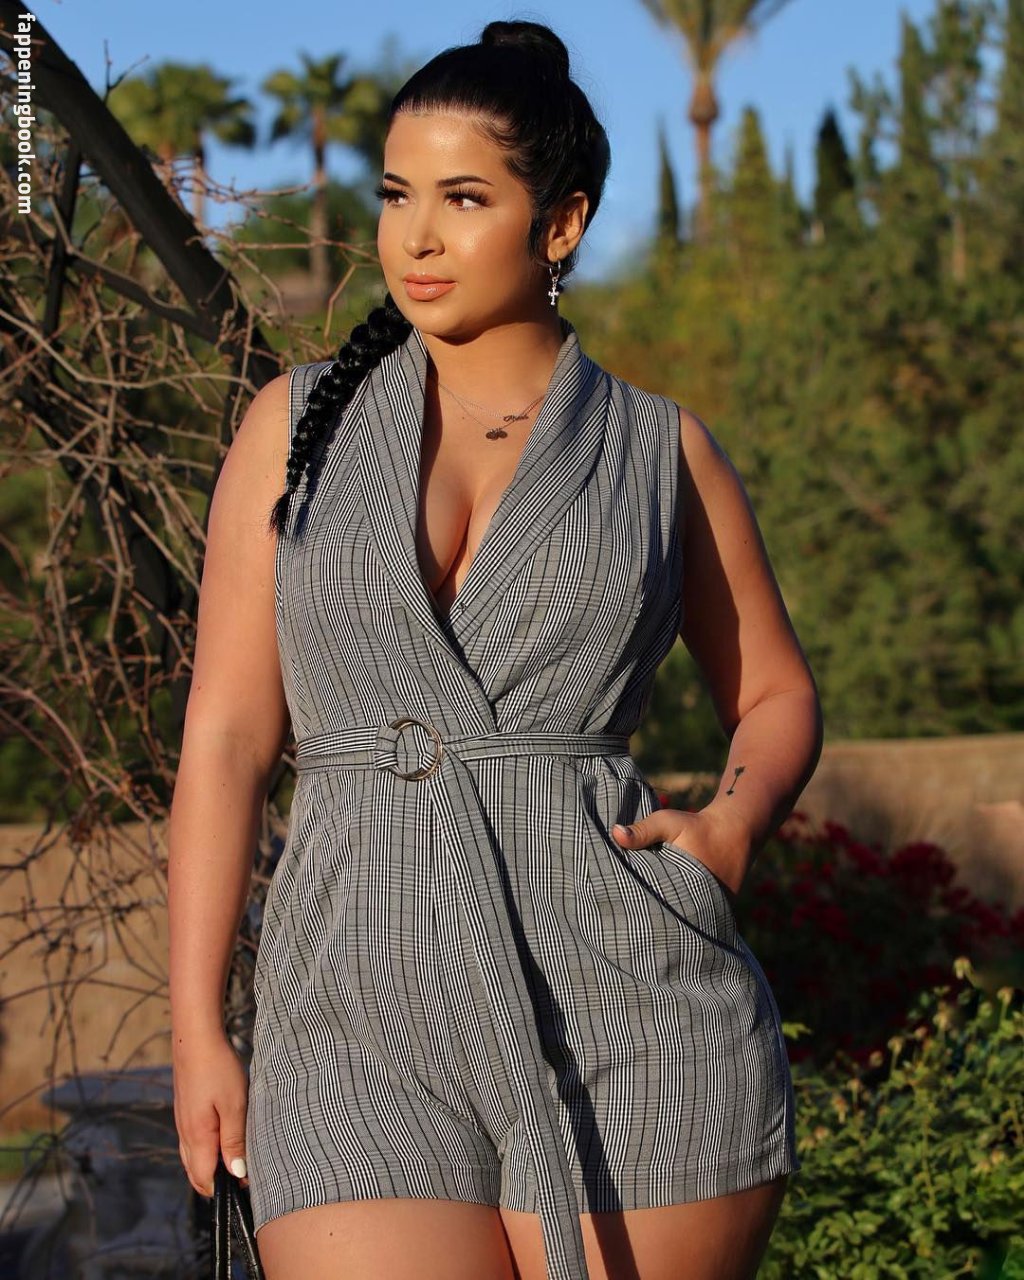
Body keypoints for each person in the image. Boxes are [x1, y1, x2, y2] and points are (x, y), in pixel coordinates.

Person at [168, 19, 823, 1280]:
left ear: (559, 223)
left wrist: (730, 831)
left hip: (628, 996)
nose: (415, 236)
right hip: (350, 1007)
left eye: (464, 199)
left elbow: (777, 690)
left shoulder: (659, 449)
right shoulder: (291, 431)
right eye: (396, 195)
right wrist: (197, 1021)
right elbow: (229, 736)